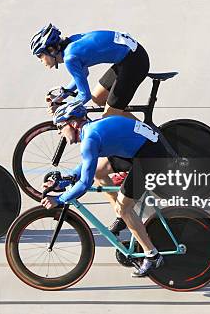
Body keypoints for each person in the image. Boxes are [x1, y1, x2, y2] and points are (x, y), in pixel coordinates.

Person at [40, 101, 174, 277]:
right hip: (143, 148)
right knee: (99, 172)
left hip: (151, 157)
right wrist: (63, 182)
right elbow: (88, 166)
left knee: (124, 208)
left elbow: (84, 184)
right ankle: (124, 217)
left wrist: (59, 199)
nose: (59, 131)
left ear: (73, 123)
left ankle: (152, 256)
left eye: (60, 126)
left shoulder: (89, 139)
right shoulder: (92, 129)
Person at [30, 24, 150, 118]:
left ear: (51, 50)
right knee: (98, 98)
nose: (40, 60)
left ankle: (150, 141)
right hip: (130, 56)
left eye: (40, 56)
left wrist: (63, 110)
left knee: (109, 115)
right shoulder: (71, 42)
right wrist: (61, 97)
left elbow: (84, 95)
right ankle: (141, 129)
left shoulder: (70, 58)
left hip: (134, 62)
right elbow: (84, 74)